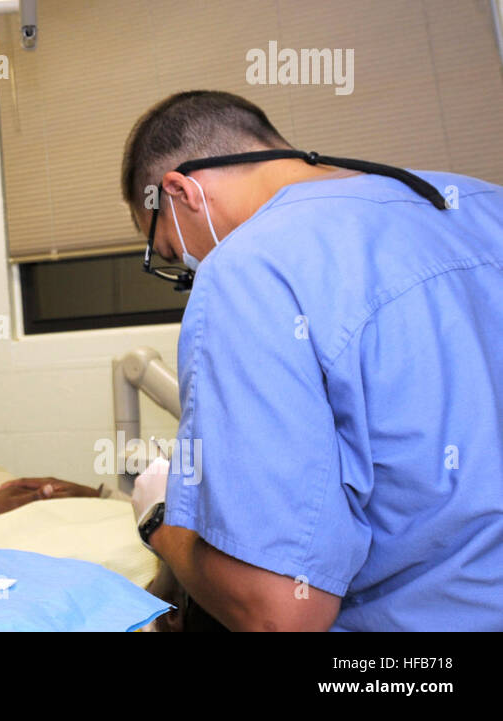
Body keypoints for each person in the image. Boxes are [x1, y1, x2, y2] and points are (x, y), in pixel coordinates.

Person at [120, 90, 503, 631]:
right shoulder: (484, 204)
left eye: (173, 253)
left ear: (180, 192)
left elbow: (284, 616)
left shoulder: (247, 268)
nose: (190, 269)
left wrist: (159, 518)